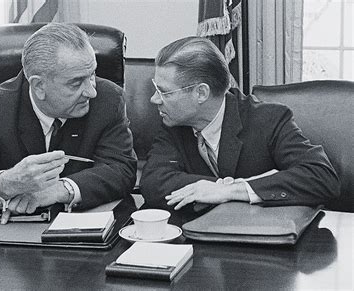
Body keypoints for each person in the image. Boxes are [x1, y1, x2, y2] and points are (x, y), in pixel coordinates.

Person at [0, 23, 137, 223]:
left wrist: (61, 189)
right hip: (13, 234)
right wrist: (6, 183)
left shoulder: (108, 100)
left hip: (83, 230)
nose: (91, 91)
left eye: (92, 75)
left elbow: (122, 169)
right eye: (76, 83)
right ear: (39, 86)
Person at [140, 37, 340, 211]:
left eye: (164, 92)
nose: (154, 99)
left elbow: (321, 177)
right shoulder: (173, 122)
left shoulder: (270, 119)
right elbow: (153, 183)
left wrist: (231, 191)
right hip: (203, 238)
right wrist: (217, 188)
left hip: (264, 245)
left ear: (201, 93)